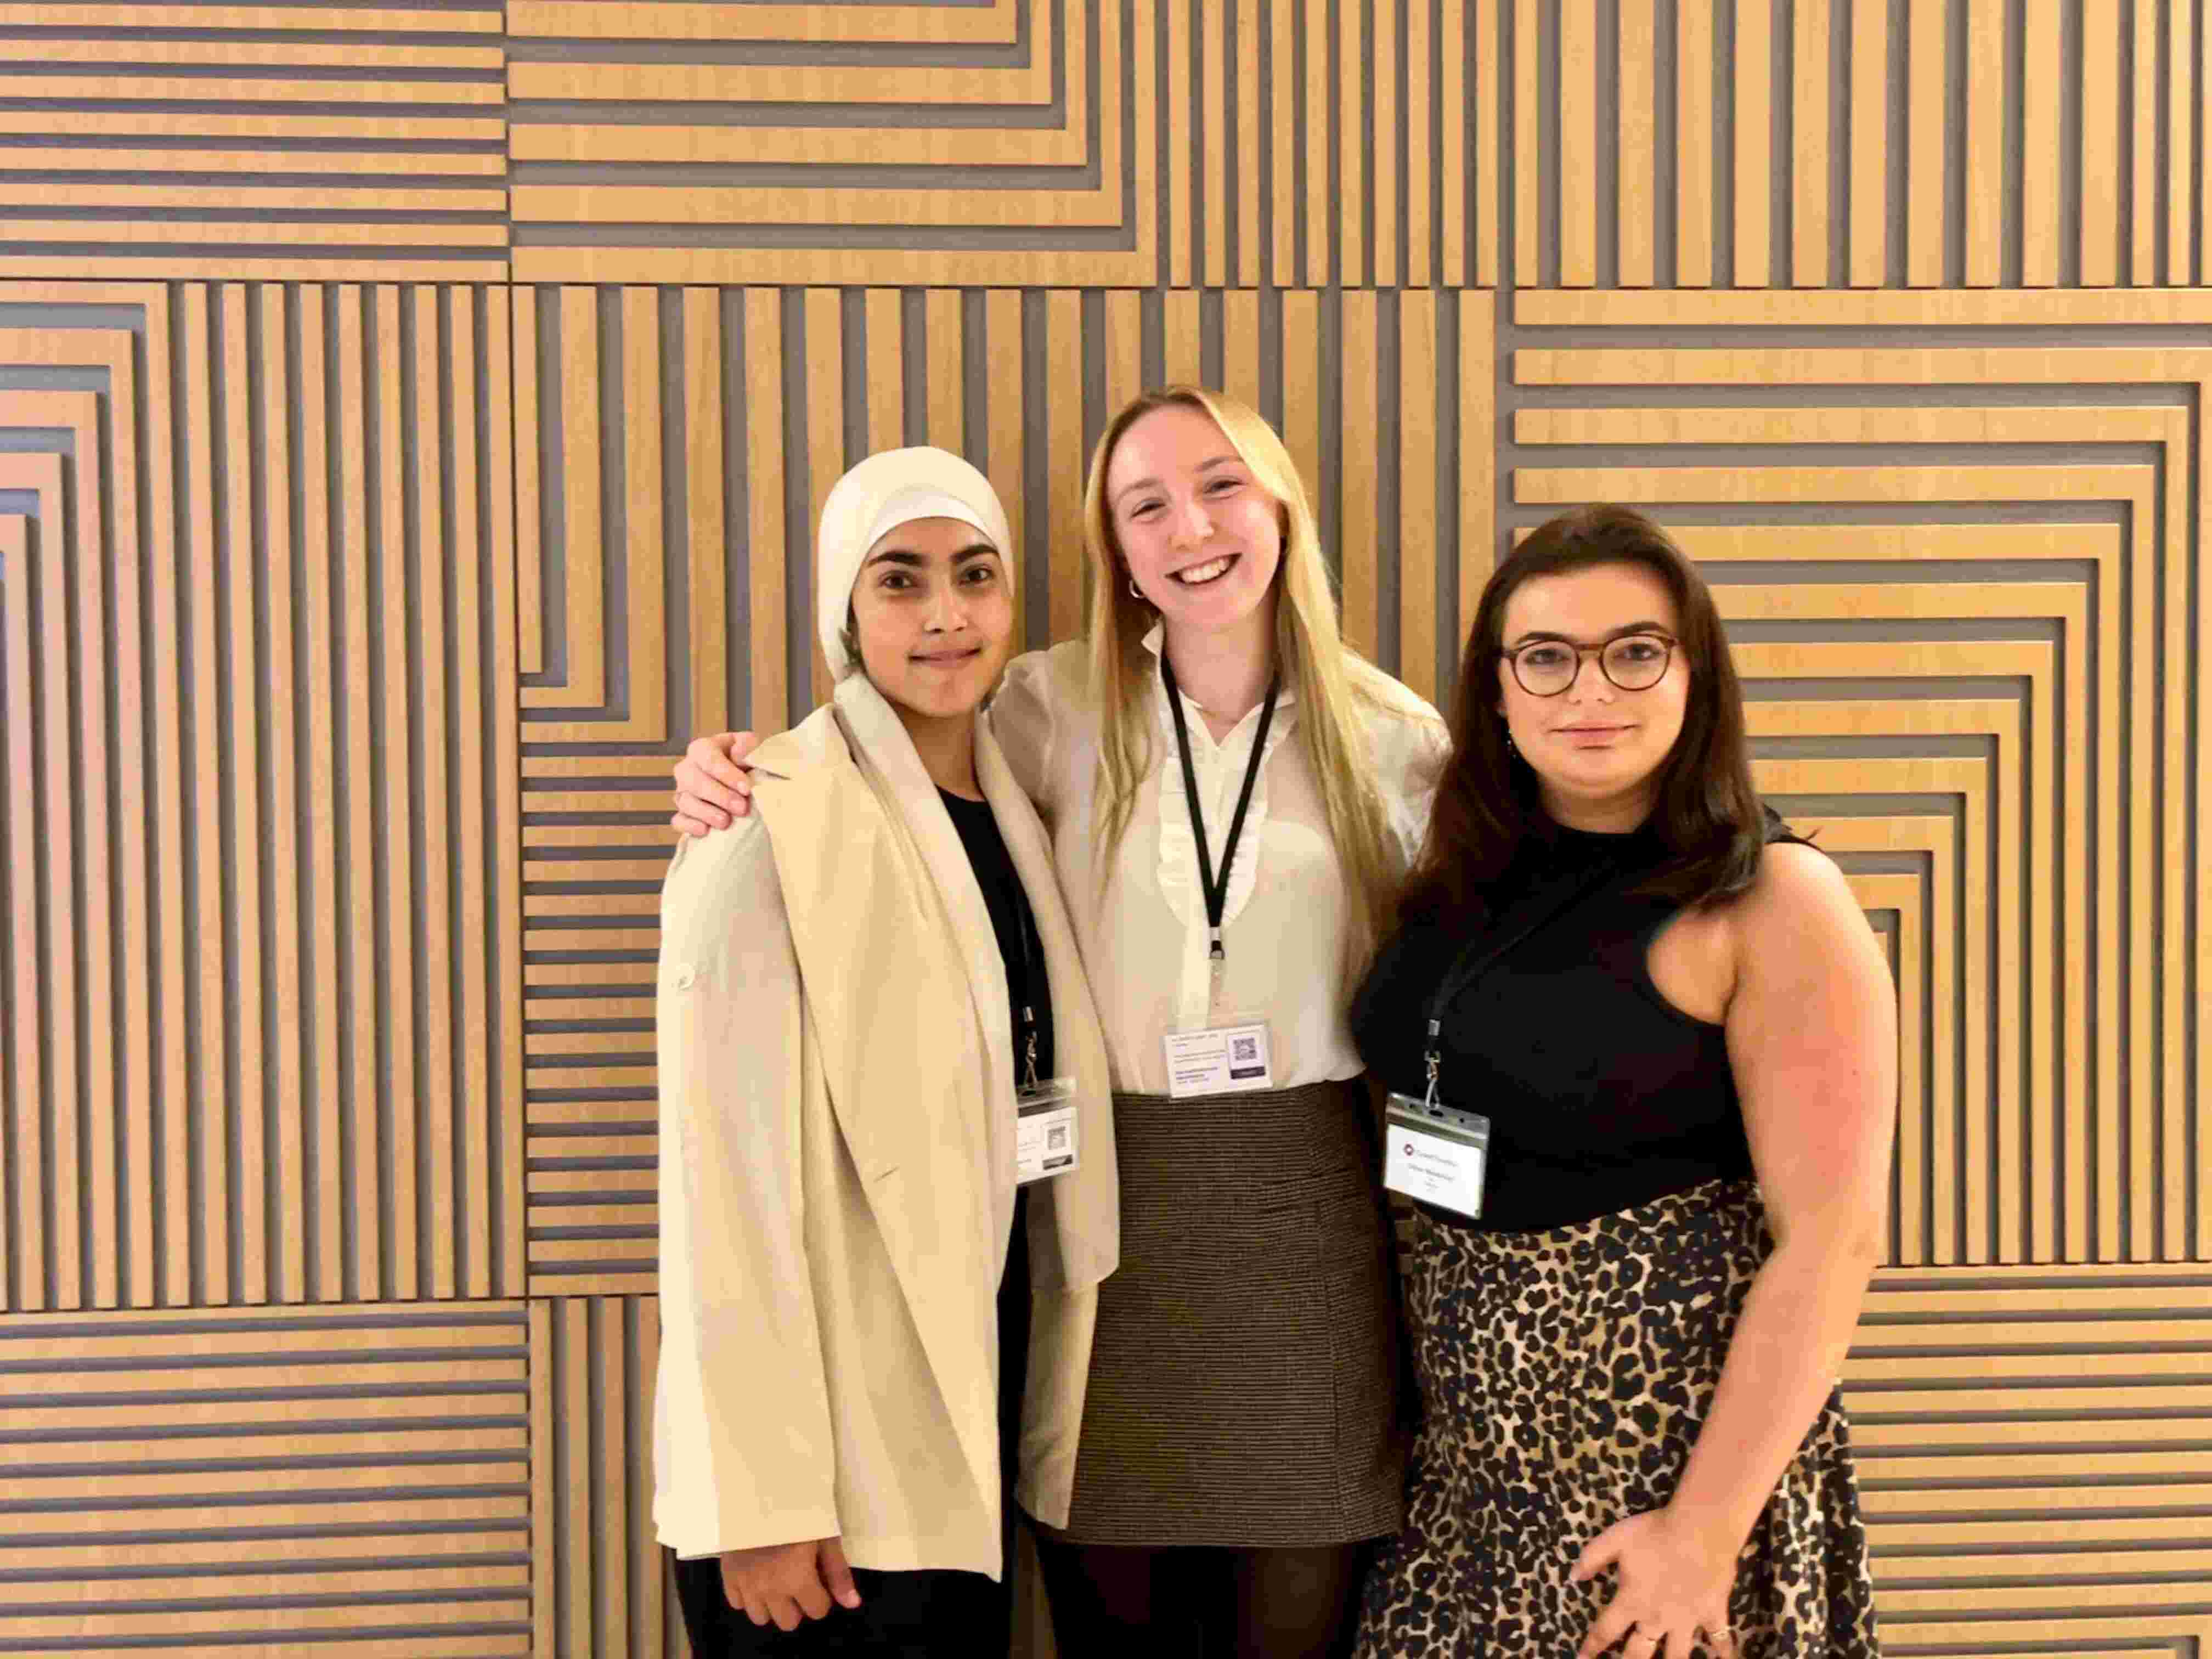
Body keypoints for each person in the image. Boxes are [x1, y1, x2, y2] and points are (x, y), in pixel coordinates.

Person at [669, 388, 1449, 1658]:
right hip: (1102, 1238)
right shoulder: (1046, 711)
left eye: (1221, 486)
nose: (1190, 526)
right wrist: (726, 778)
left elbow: (1472, 969)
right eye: (1146, 505)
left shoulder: (1396, 737)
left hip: (1313, 1239)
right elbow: (888, 804)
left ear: (1282, 507)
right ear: (1118, 551)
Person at [1348, 504, 1892, 1658]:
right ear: (1497, 691)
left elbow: (1833, 1242)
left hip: (1661, 1499)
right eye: (1546, 658)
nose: (1588, 692)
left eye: (1634, 651)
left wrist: (1702, 1535)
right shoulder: (1458, 883)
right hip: (1464, 1493)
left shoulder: (1776, 902)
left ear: (1695, 676)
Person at [652, 446, 1119, 1657]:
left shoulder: (1013, 806)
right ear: (845, 619)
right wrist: (762, 1498)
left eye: (975, 575)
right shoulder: (770, 819)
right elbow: (721, 1182)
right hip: (822, 1498)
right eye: (899, 582)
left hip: (957, 1429)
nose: (946, 615)